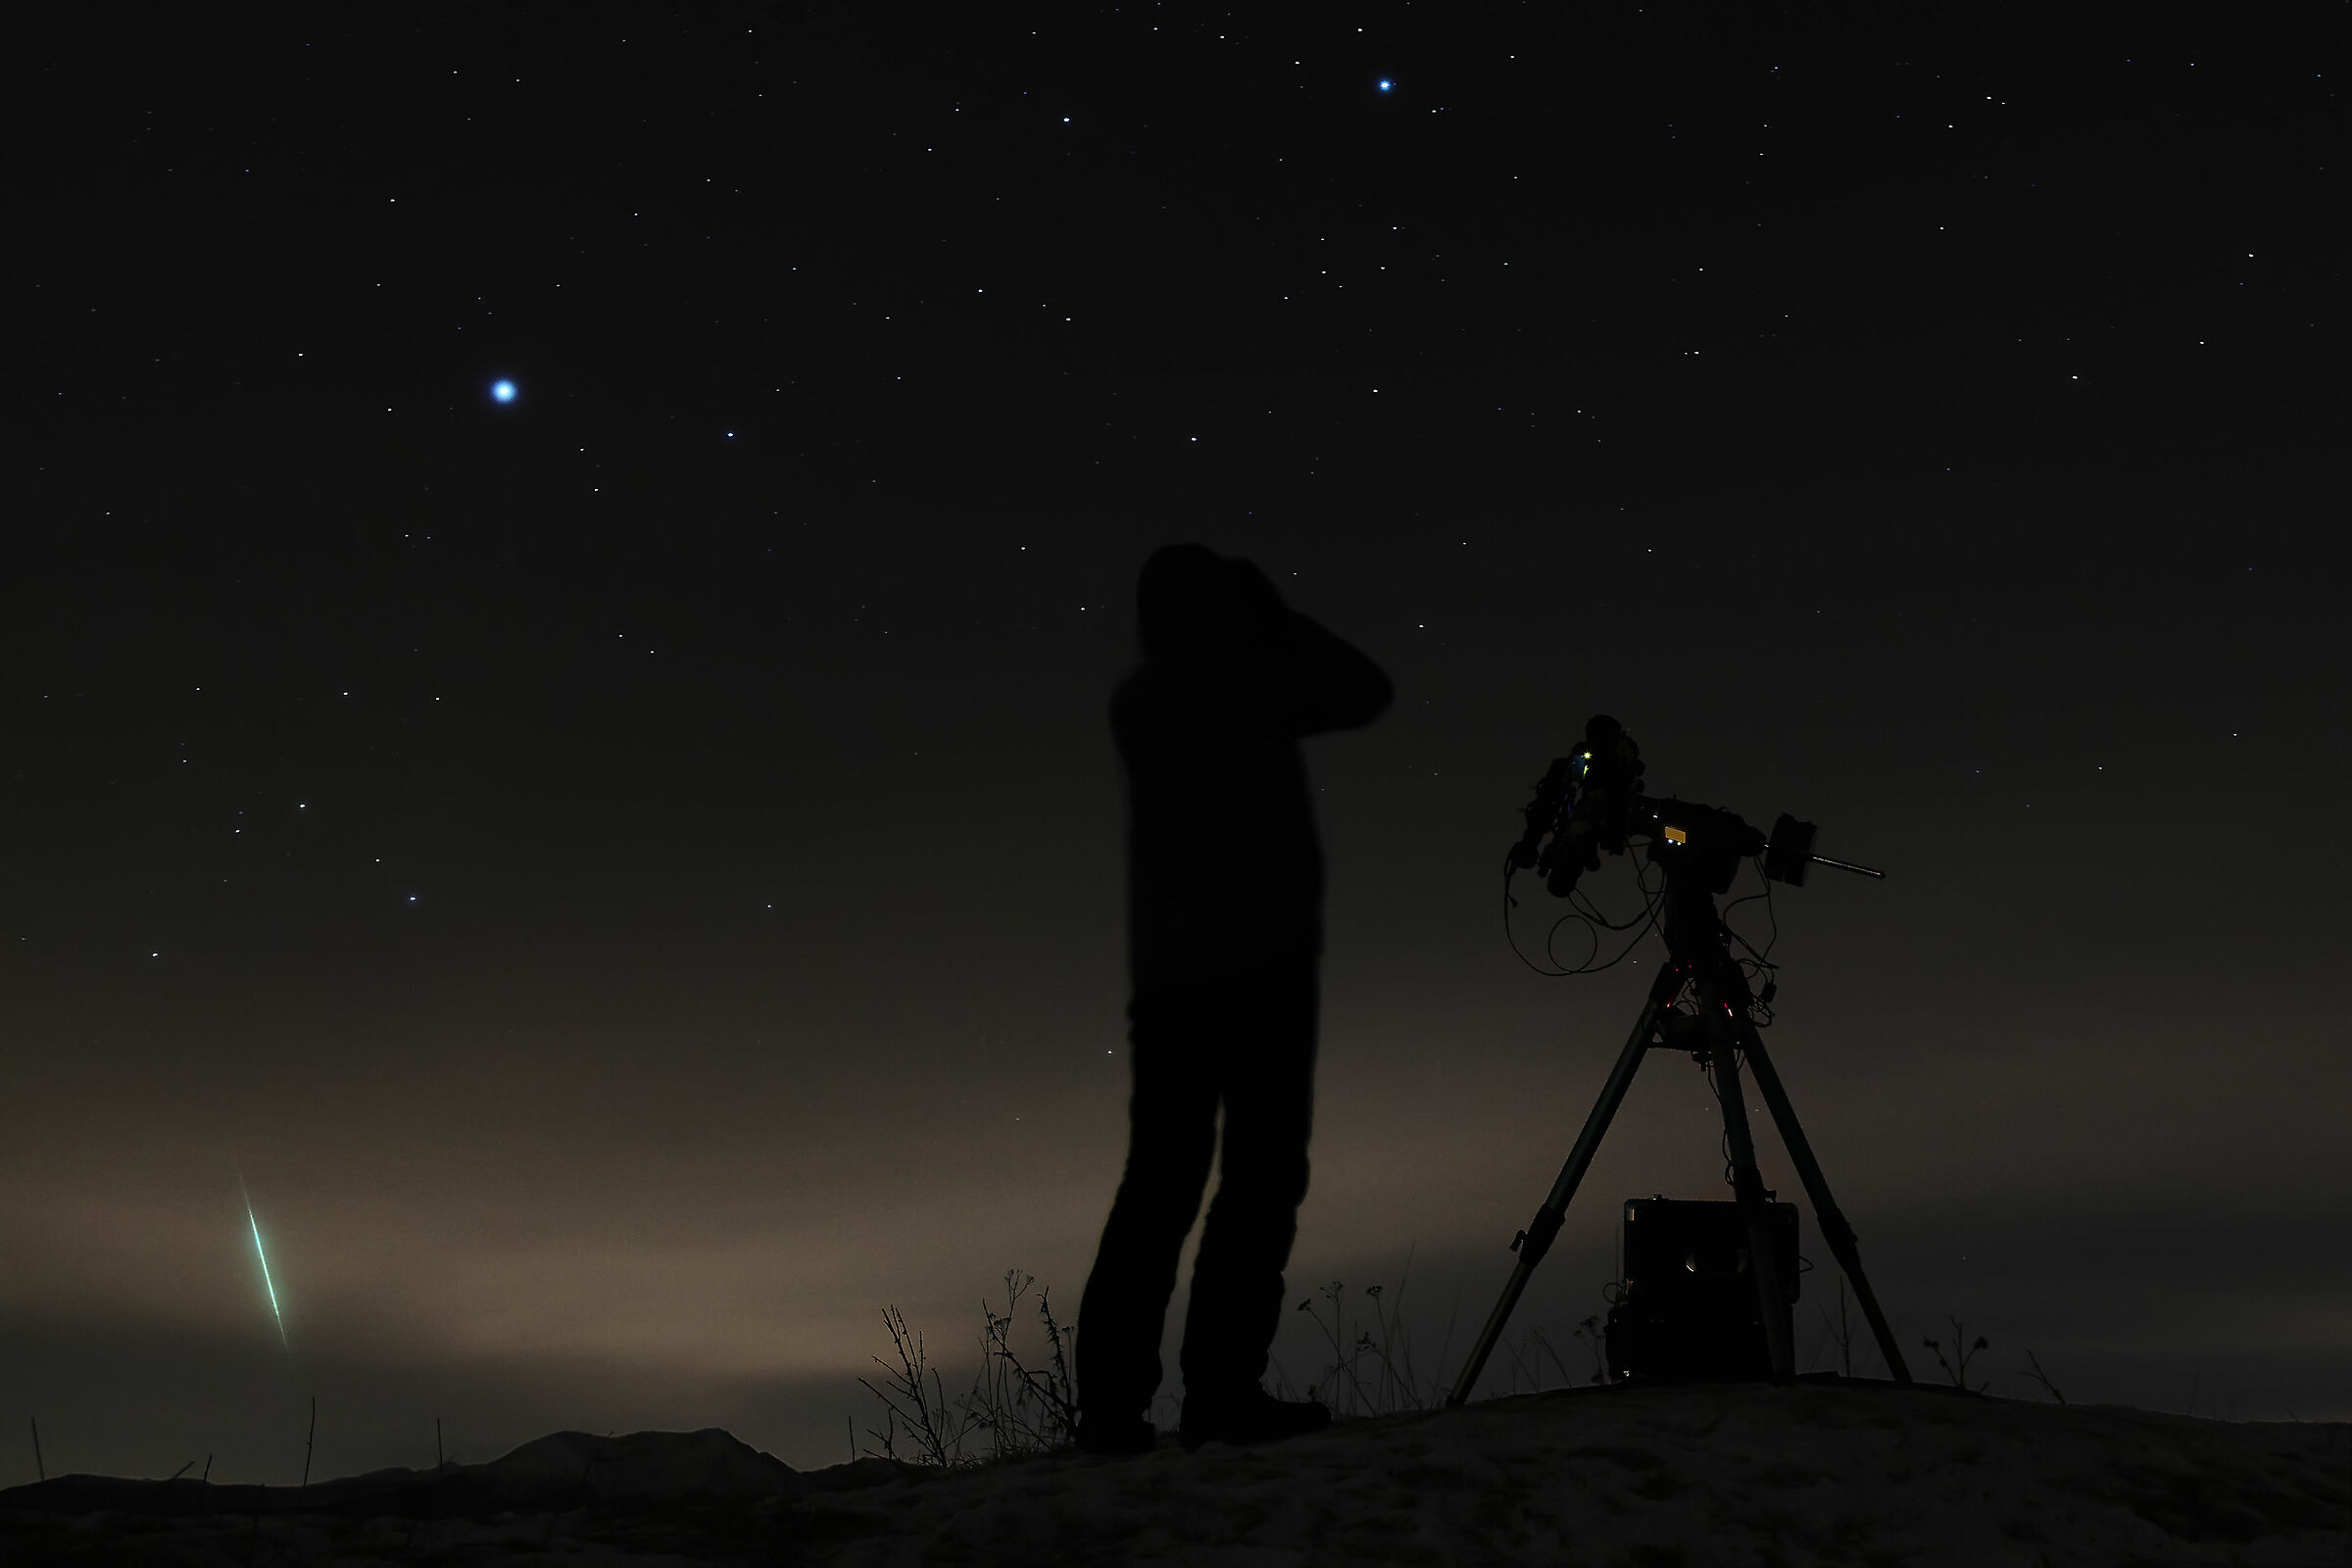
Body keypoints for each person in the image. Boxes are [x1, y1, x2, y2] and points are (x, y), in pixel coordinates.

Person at [1074, 543, 1394, 1455]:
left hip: (1184, 979)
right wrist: (1279, 615)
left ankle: (1124, 1408)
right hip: (1254, 972)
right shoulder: (1234, 688)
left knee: (1175, 1181)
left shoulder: (1148, 698)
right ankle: (1208, 1395)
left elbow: (1359, 693)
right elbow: (1365, 688)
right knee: (1243, 1180)